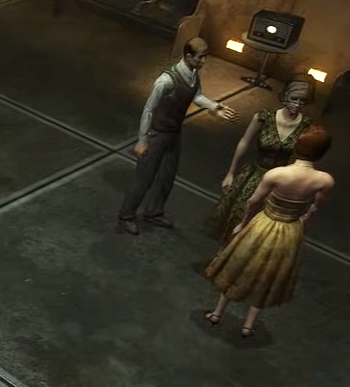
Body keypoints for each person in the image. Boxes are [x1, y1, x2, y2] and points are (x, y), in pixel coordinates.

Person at [203, 125, 335, 338]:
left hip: (263, 224)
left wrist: (243, 224)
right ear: (322, 152)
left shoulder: (277, 174)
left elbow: (253, 202)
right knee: (268, 276)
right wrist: (303, 221)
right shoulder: (324, 180)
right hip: (290, 230)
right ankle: (248, 325)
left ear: (297, 146)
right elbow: (316, 207)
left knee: (238, 267)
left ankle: (218, 313)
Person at [118, 37, 239, 235]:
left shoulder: (193, 74)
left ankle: (154, 212)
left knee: (167, 176)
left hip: (174, 134)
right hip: (157, 134)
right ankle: (126, 216)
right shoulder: (166, 81)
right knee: (144, 178)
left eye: (206, 57)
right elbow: (149, 109)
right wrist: (142, 140)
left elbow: (196, 95)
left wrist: (214, 106)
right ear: (188, 56)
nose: (203, 61)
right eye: (200, 57)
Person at [207, 77, 314, 244]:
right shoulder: (264, 117)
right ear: (285, 96)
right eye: (294, 99)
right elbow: (244, 142)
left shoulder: (306, 126)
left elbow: (303, 158)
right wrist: (230, 173)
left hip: (279, 181)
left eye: (303, 101)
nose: (298, 104)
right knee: (239, 212)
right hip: (254, 174)